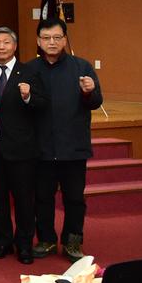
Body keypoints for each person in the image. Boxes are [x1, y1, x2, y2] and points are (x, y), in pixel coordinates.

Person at [30, 17, 103, 263]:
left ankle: (73, 241)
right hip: (41, 147)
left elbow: (96, 102)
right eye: (46, 38)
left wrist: (89, 91)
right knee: (42, 197)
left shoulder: (82, 67)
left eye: (57, 37)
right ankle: (47, 239)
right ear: (38, 41)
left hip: (73, 146)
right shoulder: (29, 69)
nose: (52, 42)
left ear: (64, 40)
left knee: (74, 198)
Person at [0, 26, 47, 265]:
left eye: (6, 42)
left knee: (24, 200)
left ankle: (24, 245)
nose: (1, 47)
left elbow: (43, 104)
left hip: (22, 149)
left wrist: (28, 96)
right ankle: (3, 242)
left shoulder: (29, 72)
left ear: (15, 46)